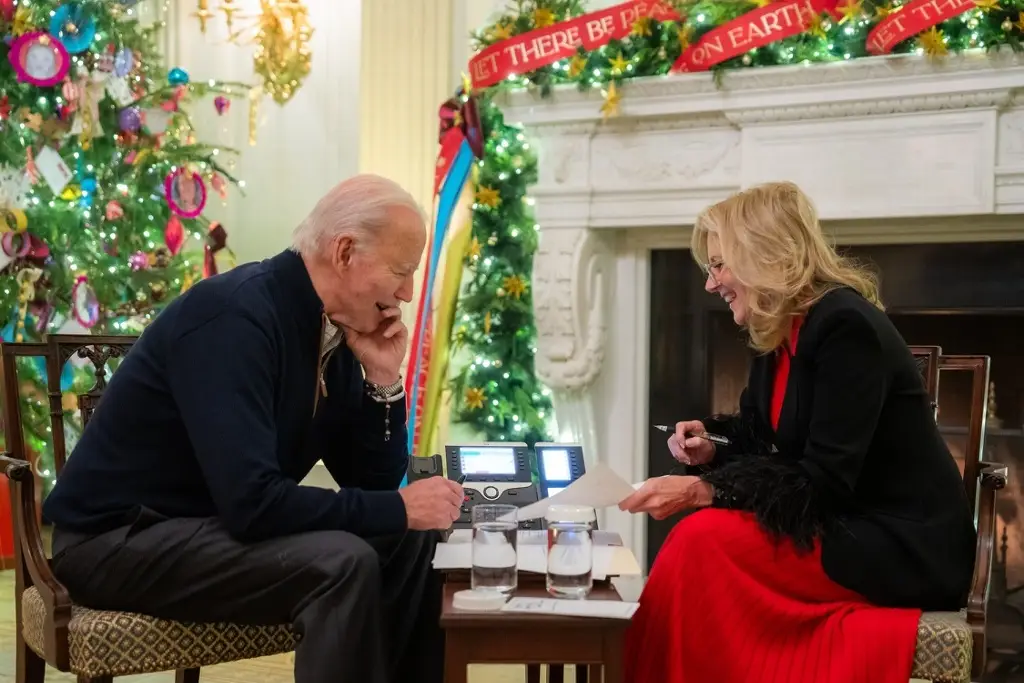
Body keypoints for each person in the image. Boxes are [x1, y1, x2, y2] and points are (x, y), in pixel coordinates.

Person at [42, 174, 463, 683]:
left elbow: (369, 482)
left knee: (412, 543)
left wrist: (381, 381)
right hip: (114, 541)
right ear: (345, 252)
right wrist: (398, 506)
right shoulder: (234, 314)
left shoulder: (336, 329)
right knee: (342, 562)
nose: (408, 293)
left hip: (206, 526)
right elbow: (253, 504)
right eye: (401, 271)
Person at [618, 181, 976, 683]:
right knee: (698, 544)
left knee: (701, 540)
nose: (710, 283)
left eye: (718, 265)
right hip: (840, 522)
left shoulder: (845, 326)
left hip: (901, 543)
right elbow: (758, 433)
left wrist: (705, 491)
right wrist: (709, 447)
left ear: (762, 254)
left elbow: (824, 479)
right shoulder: (782, 328)